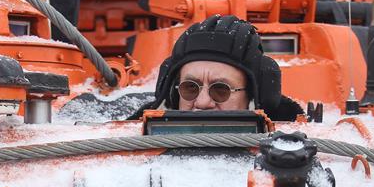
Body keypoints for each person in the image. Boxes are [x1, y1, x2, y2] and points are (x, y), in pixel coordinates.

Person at [130, 15, 303, 121]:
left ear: (252, 95)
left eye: (221, 89)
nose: (202, 103)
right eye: (190, 88)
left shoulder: (301, 147)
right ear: (174, 94)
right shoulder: (129, 138)